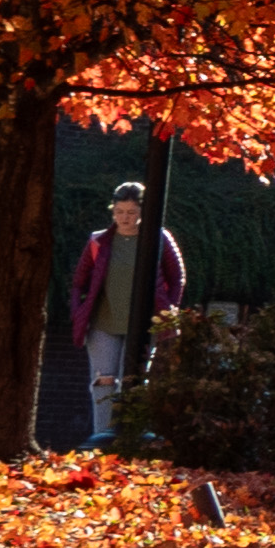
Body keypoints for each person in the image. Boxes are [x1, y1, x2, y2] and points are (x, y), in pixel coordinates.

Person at [73, 182, 182, 444]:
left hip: (143, 324)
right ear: (113, 211)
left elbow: (177, 277)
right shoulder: (98, 241)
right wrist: (78, 313)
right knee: (103, 381)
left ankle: (131, 438)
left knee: (134, 379)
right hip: (103, 324)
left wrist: (167, 313)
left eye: (131, 212)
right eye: (119, 211)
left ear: (142, 212)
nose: (125, 218)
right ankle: (101, 438)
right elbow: (79, 281)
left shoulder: (159, 239)